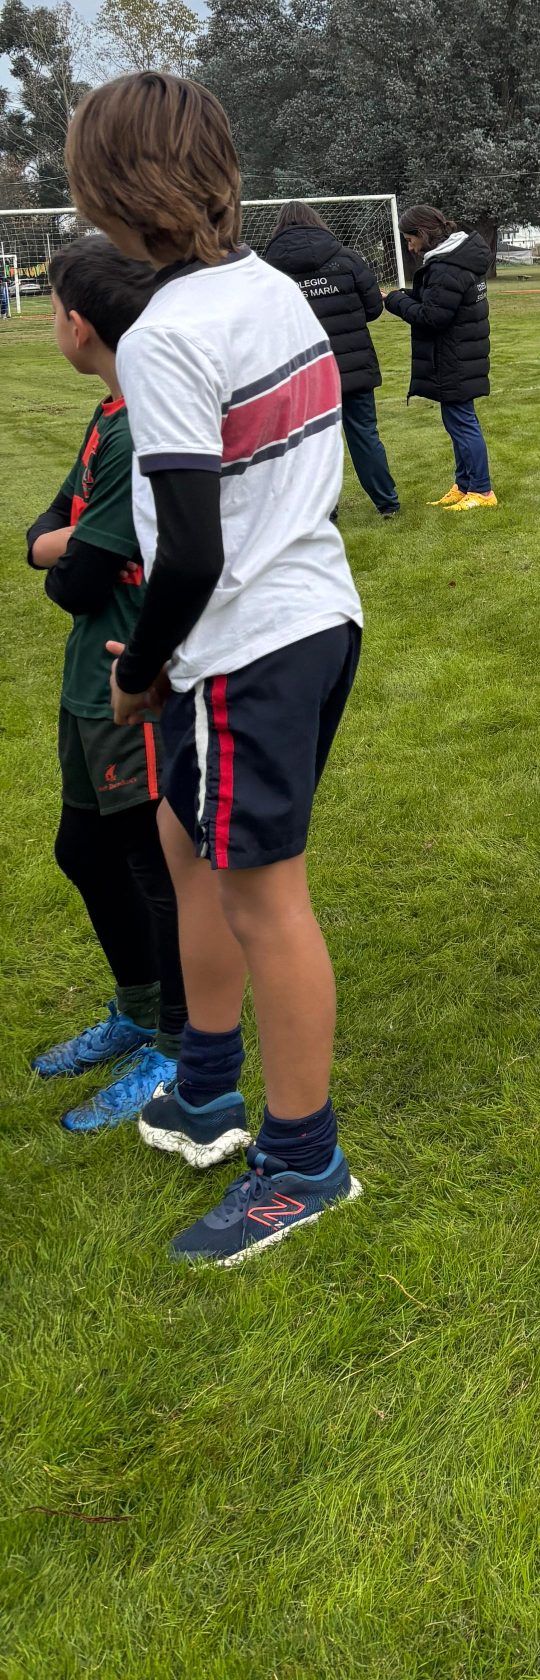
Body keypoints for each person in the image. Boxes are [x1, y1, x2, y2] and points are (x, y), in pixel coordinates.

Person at [64, 70, 365, 1265]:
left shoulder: (167, 334)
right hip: (310, 618)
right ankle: (204, 1085)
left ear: (107, 191)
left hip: (247, 644)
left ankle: (302, 1161)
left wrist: (142, 667)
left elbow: (189, 548)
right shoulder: (267, 287)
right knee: (189, 845)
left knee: (264, 898)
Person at [24, 235, 186, 1133]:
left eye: (51, 308)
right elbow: (50, 530)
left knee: (151, 862)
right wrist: (63, 544)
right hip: (86, 673)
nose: (51, 321)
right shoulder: (108, 411)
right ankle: (137, 1007)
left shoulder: (142, 424)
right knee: (83, 850)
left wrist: (63, 550)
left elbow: (78, 579)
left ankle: (178, 1043)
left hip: (131, 671)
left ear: (78, 324)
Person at [262, 202, 400, 517]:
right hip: (353, 365)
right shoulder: (348, 259)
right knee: (364, 433)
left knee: (315, 442)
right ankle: (387, 503)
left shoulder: (268, 270)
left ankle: (326, 510)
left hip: (305, 370)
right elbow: (373, 308)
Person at [385, 207, 495, 509]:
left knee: (462, 422)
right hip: (460, 353)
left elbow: (433, 316)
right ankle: (464, 484)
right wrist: (402, 295)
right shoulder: (456, 259)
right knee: (456, 421)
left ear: (422, 234)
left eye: (410, 240)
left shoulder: (447, 266)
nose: (410, 248)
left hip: (455, 357)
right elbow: (439, 299)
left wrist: (396, 302)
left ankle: (482, 491)